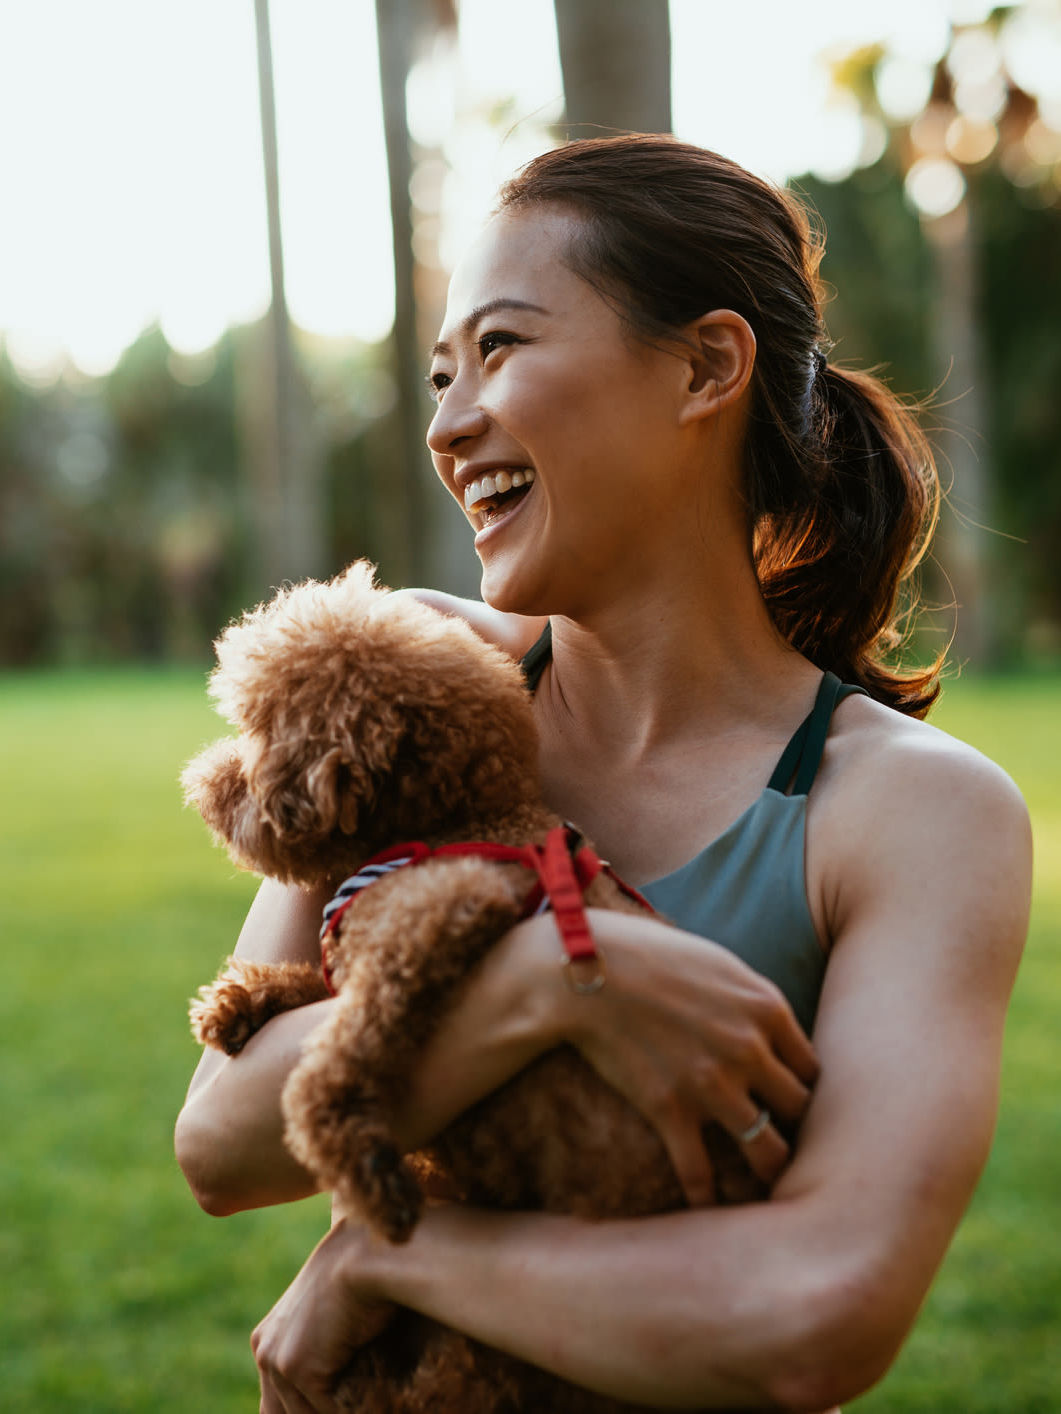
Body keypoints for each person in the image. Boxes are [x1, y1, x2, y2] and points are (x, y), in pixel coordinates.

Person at [175, 136, 1031, 1413]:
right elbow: (223, 1139)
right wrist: (556, 976)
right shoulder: (413, 684)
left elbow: (819, 1311)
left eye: (502, 349)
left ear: (704, 367)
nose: (445, 422)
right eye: (439, 371)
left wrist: (393, 1254)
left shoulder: (912, 812)